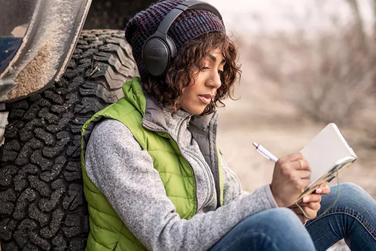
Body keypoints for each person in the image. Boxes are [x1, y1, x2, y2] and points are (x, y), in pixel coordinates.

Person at [80, 0, 376, 250]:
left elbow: (233, 207)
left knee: (347, 200)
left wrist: (291, 207)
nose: (216, 81)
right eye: (203, 66)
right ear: (162, 62)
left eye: (221, 68)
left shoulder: (190, 128)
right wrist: (272, 198)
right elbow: (168, 239)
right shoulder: (116, 136)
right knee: (277, 224)